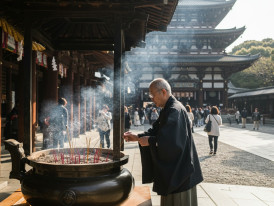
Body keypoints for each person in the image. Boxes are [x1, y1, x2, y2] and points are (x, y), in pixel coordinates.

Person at [123, 78, 203, 206]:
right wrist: (138, 137)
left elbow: (171, 140)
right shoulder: (169, 108)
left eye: (152, 95)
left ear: (163, 91)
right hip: (177, 170)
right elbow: (157, 131)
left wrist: (149, 141)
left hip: (180, 172)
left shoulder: (174, 110)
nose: (151, 98)